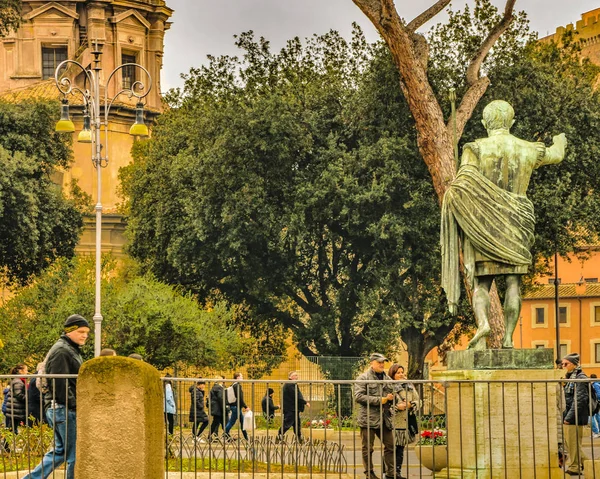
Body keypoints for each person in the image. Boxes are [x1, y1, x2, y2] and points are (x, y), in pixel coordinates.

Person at [441, 100, 567, 349]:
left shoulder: (474, 149)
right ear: (511, 123)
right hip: (517, 223)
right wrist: (560, 139)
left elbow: (463, 185)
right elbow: (557, 154)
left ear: (484, 123)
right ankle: (508, 338)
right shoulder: (529, 149)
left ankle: (483, 324)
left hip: (484, 228)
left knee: (481, 284)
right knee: (513, 283)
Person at [23, 314, 90, 479]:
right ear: (69, 331)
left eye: (87, 332)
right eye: (81, 331)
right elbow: (59, 383)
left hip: (59, 407)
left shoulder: (67, 349)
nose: (85, 335)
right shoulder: (62, 350)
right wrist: (74, 405)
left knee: (60, 451)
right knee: (74, 453)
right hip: (63, 408)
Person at [354, 353, 395, 479]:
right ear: (372, 363)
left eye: (383, 362)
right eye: (379, 362)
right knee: (368, 448)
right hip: (368, 418)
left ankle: (390, 474)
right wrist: (379, 400)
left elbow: (393, 394)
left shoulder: (387, 379)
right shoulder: (363, 378)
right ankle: (369, 474)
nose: (382, 365)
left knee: (391, 446)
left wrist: (393, 399)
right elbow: (358, 396)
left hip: (384, 418)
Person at [388, 364, 419, 479]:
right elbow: (386, 406)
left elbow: (418, 400)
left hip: (405, 422)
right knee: (391, 449)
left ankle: (397, 472)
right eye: (398, 373)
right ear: (393, 374)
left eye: (402, 372)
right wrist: (397, 407)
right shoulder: (388, 386)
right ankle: (388, 472)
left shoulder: (409, 386)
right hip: (393, 422)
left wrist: (410, 404)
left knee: (400, 449)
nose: (401, 374)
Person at [562, 353, 589, 476]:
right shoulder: (570, 377)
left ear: (573, 364)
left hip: (575, 417)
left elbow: (579, 400)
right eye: (562, 364)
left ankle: (574, 467)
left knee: (573, 444)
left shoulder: (580, 377)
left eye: (566, 364)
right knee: (570, 443)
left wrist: (569, 417)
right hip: (571, 416)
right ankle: (588, 463)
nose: (563, 366)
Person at [277, 371, 310, 442]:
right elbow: (296, 395)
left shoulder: (292, 384)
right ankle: (279, 435)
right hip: (291, 408)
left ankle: (299, 437)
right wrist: (305, 402)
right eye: (294, 375)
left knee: (297, 424)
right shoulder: (290, 384)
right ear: (290, 377)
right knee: (287, 423)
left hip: (293, 408)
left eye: (297, 375)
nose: (296, 377)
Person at [5, 364, 28, 436]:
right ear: (20, 371)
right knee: (12, 429)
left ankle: (7, 445)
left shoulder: (18, 380)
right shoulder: (18, 381)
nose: (27, 372)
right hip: (15, 409)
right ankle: (6, 445)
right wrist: (27, 398)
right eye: (26, 370)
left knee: (12, 428)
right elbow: (19, 395)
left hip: (15, 408)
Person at [224, 372, 248, 441]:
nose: (242, 378)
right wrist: (245, 406)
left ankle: (246, 437)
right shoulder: (237, 386)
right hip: (236, 407)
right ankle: (225, 433)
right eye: (241, 376)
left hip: (236, 407)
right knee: (232, 422)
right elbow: (240, 397)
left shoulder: (233, 385)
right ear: (237, 377)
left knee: (242, 422)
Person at [591, 374, 600, 439]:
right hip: (597, 402)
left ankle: (596, 432)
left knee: (591, 417)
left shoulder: (595, 385)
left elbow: (598, 394)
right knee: (597, 416)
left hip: (596, 402)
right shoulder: (597, 384)